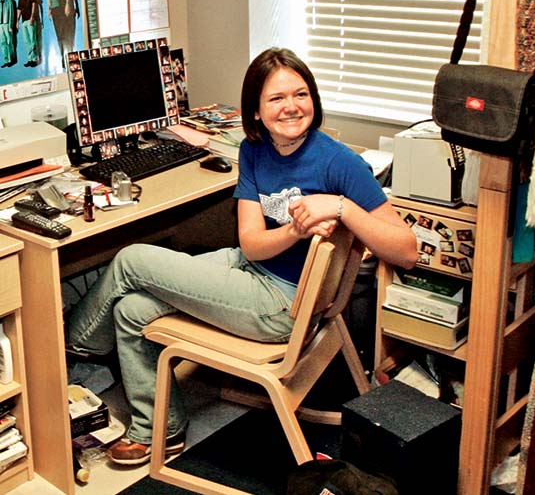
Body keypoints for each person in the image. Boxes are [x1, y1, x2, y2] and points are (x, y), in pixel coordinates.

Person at [66, 47, 417, 466]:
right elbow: (251, 244)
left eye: (300, 94)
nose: (291, 107)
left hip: (281, 303)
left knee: (130, 259)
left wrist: (342, 207)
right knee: (130, 309)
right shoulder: (255, 150)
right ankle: (160, 429)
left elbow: (407, 250)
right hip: (251, 265)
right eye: (277, 98)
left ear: (314, 99)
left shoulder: (339, 162)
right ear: (255, 111)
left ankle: (73, 353)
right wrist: (294, 229)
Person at [46, 0, 79, 68]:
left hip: (64, 7)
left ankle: (71, 57)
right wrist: (49, 8)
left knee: (68, 34)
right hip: (55, 9)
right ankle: (64, 58)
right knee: (59, 35)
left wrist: (68, 4)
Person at [17, 0, 43, 68]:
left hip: (31, 19)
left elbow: (34, 5)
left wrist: (32, 17)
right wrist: (17, 21)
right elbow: (19, 9)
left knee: (33, 40)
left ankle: (35, 59)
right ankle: (30, 59)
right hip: (24, 21)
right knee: (27, 41)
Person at [0, 0, 15, 68]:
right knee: (3, 43)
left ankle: (11, 59)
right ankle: (6, 60)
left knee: (9, 42)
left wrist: (10, 26)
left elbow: (11, 14)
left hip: (6, 24)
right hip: (0, 25)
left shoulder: (9, 1)